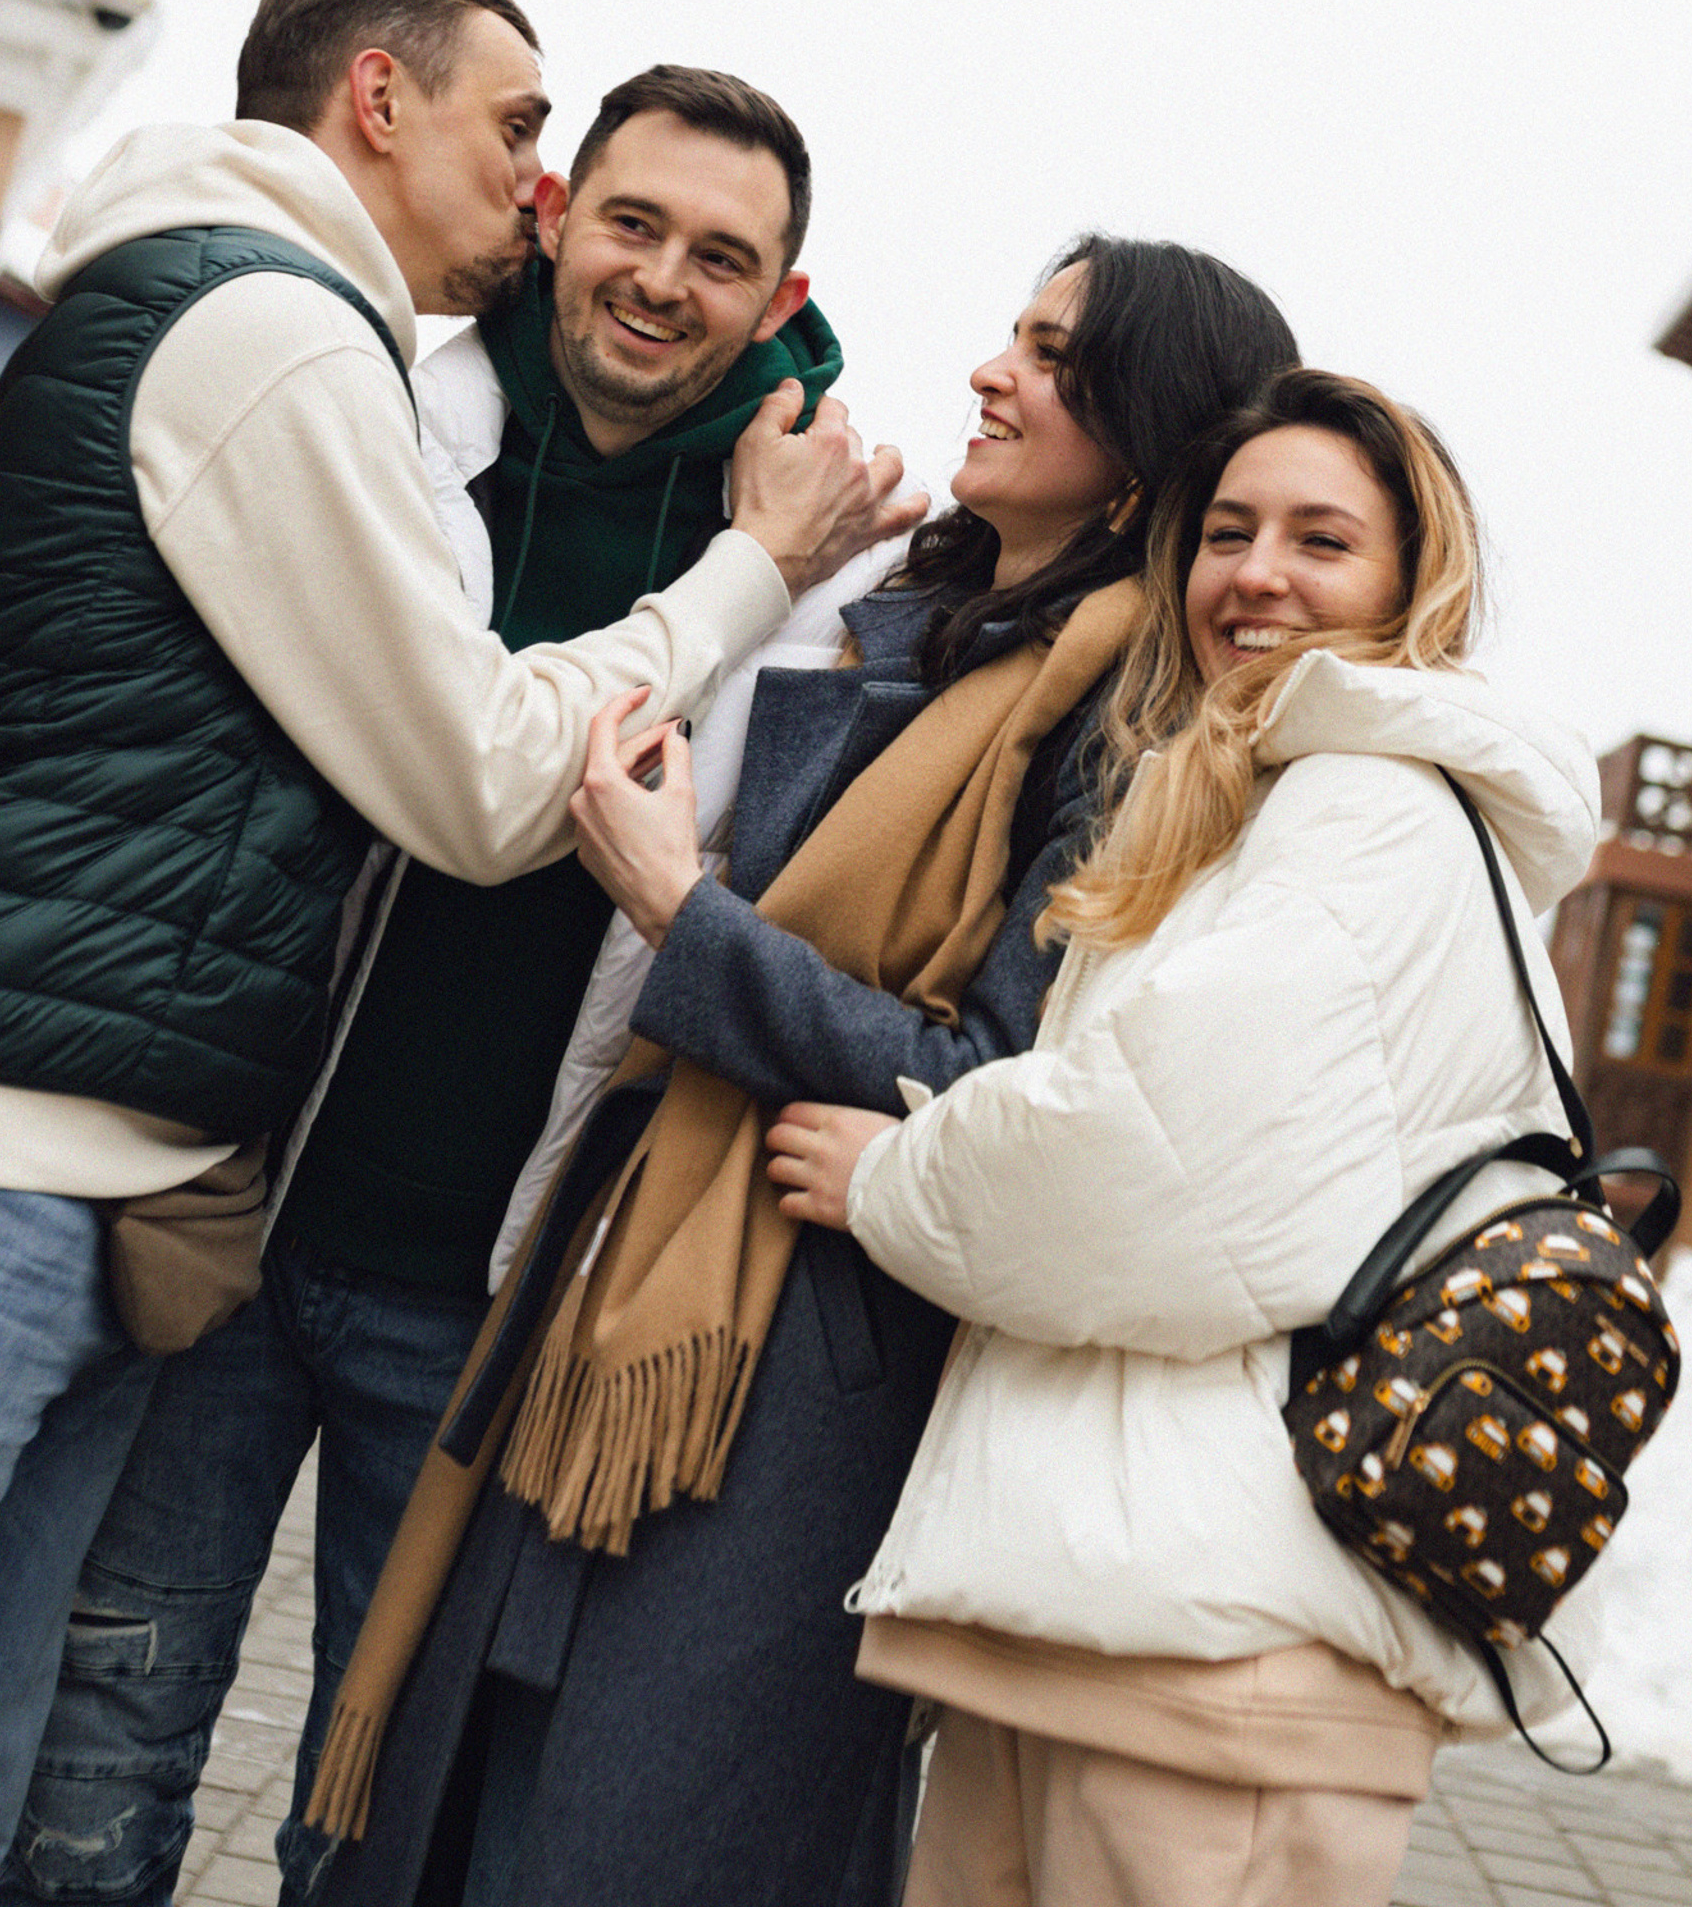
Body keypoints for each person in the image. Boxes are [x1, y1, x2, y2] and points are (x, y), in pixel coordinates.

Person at [0, 0, 913, 1907]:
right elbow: (442, 761)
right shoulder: (359, 371)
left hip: (470, 1279)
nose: (654, 276)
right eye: (610, 206)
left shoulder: (819, 567)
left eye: (722, 256)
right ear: (544, 204)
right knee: (78, 1760)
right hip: (202, 1212)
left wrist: (763, 567)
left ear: (784, 299)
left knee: (353, 1793)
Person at [304, 238, 1300, 1907]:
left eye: (1052, 355)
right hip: (638, 1298)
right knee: (471, 1805)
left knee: (635, 1841)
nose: (994, 371)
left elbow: (991, 1075)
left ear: (1146, 434)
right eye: (1011, 334)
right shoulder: (923, 627)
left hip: (798, 1384)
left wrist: (681, 914)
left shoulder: (1130, 731)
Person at [768, 369, 1604, 1907]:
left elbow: (1148, 1162)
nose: (1257, 573)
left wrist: (899, 1173)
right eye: (1228, 531)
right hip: (1128, 1625)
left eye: (1321, 538)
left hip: (1226, 1657)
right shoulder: (1266, 803)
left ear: (1418, 584)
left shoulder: (1373, 811)